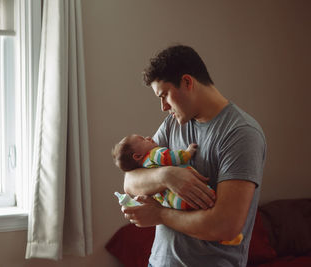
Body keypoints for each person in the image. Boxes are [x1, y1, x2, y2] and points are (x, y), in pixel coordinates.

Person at [121, 45, 266, 266]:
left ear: (187, 82)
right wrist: (166, 176)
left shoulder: (241, 133)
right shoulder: (174, 123)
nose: (163, 107)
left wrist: (160, 215)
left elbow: (225, 226)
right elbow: (130, 181)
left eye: (165, 95)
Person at [112, 134, 244, 245]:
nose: (148, 137)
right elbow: (129, 183)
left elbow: (227, 224)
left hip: (173, 202)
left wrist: (160, 213)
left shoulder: (144, 166)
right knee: (209, 199)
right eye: (142, 139)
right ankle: (225, 239)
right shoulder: (154, 153)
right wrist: (187, 154)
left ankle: (223, 238)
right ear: (137, 156)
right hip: (162, 257)